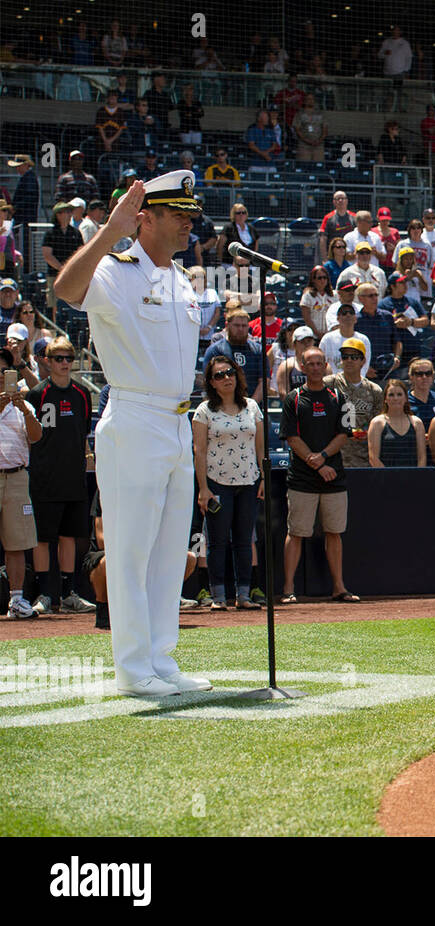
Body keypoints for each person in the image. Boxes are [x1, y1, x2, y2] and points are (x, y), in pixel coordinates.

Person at [53, 170, 213, 697]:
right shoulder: (115, 270)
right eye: (178, 214)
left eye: (191, 213)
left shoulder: (181, 279)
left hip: (176, 420)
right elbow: (65, 289)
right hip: (134, 417)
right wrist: (108, 232)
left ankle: (160, 658)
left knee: (169, 550)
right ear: (146, 218)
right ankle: (132, 668)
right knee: (131, 549)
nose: (189, 222)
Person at [23, 334, 96, 615]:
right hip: (43, 476)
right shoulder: (37, 394)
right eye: (58, 359)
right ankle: (44, 594)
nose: (64, 363)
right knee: (43, 537)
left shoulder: (81, 394)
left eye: (68, 358)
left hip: (73, 475)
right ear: (47, 361)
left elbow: (83, 435)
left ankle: (68, 594)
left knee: (69, 536)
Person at [280, 348, 359, 603]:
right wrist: (316, 464)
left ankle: (339, 587)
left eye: (319, 363)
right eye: (310, 363)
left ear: (326, 365)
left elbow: (344, 434)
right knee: (297, 532)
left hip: (333, 476)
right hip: (302, 478)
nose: (315, 367)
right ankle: (288, 588)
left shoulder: (339, 396)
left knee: (334, 532)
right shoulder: (293, 398)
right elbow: (292, 438)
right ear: (302, 367)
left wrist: (323, 457)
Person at [192, 355, 264, 611]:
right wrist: (203, 488)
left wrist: (263, 478)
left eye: (230, 373)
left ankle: (244, 595)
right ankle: (218, 596)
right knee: (217, 541)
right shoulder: (204, 411)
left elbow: (260, 448)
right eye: (219, 375)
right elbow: (199, 451)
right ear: (211, 381)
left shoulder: (252, 407)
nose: (226, 378)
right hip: (217, 482)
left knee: (244, 540)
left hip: (249, 481)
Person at [0, 347, 41, 618]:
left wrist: (24, 409)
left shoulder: (23, 405)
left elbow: (36, 437)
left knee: (16, 542)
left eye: (5, 371)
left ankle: (16, 600)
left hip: (16, 476)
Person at [323, 339, 383, 470]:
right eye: (345, 357)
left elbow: (378, 424)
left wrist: (366, 432)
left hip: (364, 459)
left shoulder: (374, 390)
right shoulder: (328, 384)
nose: (349, 360)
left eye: (354, 357)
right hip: (333, 458)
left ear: (363, 361)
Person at [368, 379, 426, 468]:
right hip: (386, 479)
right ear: (385, 399)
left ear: (406, 398)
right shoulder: (377, 423)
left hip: (413, 478)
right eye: (391, 395)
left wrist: (416, 477)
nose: (395, 398)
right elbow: (373, 458)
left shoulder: (417, 423)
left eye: (399, 394)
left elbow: (422, 457)